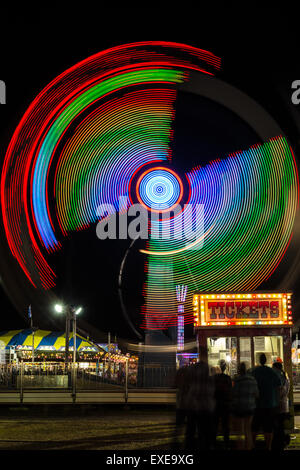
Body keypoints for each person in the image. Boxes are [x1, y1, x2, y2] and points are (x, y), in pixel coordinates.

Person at [251, 353, 282, 450]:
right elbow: (279, 386)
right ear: (266, 360)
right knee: (268, 427)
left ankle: (253, 445)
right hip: (270, 403)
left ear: (260, 360)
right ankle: (268, 446)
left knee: (255, 426)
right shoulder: (272, 372)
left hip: (257, 403)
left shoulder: (254, 372)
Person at [185, 361, 215, 450]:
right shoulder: (210, 381)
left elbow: (193, 395)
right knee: (205, 433)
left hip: (195, 410)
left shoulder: (194, 382)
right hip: (207, 409)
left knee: (192, 432)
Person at [231, 362, 259, 450]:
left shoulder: (237, 380)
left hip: (239, 407)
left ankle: (241, 447)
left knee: (240, 431)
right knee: (248, 430)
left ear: (239, 370)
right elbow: (257, 394)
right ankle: (249, 447)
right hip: (250, 408)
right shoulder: (253, 380)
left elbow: (234, 394)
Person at [213, 359, 232, 449]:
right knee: (225, 425)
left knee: (215, 424)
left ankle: (213, 442)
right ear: (225, 368)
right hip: (225, 404)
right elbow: (230, 390)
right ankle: (226, 442)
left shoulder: (214, 378)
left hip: (216, 404)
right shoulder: (227, 378)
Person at [272, 361, 290, 451]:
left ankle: (279, 443)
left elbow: (281, 391)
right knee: (280, 425)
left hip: (279, 405)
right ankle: (281, 442)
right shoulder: (285, 376)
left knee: (278, 425)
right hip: (284, 404)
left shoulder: (280, 377)